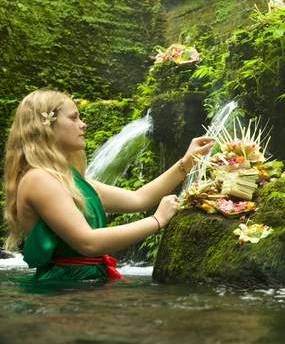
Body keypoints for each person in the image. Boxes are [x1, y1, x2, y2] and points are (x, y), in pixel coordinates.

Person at [2, 89, 214, 282]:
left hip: (83, 284)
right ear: (46, 126)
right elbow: (88, 243)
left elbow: (139, 199)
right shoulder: (39, 179)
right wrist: (157, 220)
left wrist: (186, 163)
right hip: (62, 289)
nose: (82, 124)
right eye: (74, 118)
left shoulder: (69, 179)